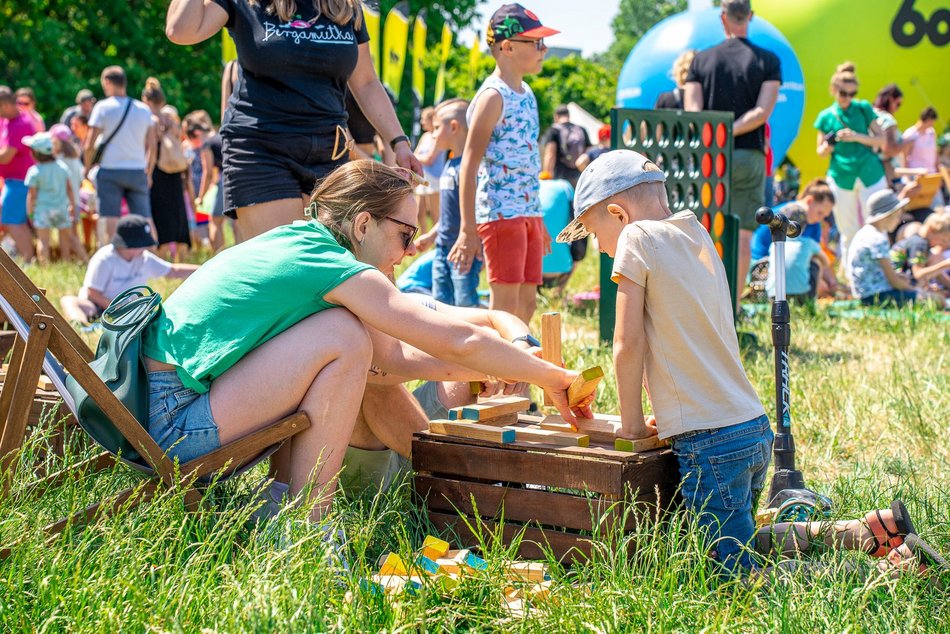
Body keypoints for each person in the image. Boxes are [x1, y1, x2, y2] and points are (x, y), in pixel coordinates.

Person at [130, 160, 587, 523]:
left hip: (156, 412)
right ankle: (308, 527)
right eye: (405, 235)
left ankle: (284, 512)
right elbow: (405, 351)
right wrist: (551, 376)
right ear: (364, 224)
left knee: (344, 336)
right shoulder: (329, 264)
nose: (410, 251)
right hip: (171, 423)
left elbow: (402, 353)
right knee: (344, 338)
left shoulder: (307, 246)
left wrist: (506, 363)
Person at [555, 150, 771, 573]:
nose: (599, 247)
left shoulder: (636, 238)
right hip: (750, 428)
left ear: (618, 214)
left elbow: (627, 343)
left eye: (596, 233)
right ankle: (863, 534)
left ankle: (877, 571)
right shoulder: (697, 233)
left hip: (710, 443)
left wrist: (632, 425)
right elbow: (686, 335)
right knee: (740, 542)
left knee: (734, 577)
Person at [165, 0, 422, 240]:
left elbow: (366, 82)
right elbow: (180, 31)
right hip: (261, 151)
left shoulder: (344, 6)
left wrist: (399, 142)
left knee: (335, 265)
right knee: (288, 264)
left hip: (328, 153)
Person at [450, 3, 558, 325]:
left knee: (527, 304)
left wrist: (539, 218)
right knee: (504, 308)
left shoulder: (526, 94)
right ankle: (495, 374)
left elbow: (527, 162)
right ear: (507, 47)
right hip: (500, 213)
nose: (544, 49)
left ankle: (516, 373)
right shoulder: (492, 97)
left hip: (527, 212)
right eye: (536, 43)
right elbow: (468, 165)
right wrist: (468, 229)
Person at [684, 0, 781, 308]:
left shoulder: (701, 60)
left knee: (705, 231)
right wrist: (734, 129)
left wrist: (718, 135)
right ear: (749, 17)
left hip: (710, 157)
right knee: (741, 236)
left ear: (723, 17)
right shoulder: (768, 60)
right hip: (747, 156)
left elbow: (693, 111)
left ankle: (703, 308)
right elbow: (762, 112)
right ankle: (731, 311)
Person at [60, 216, 197, 326]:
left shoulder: (144, 258)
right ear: (128, 244)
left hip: (128, 309)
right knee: (69, 301)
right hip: (98, 306)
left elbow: (173, 270)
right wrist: (115, 309)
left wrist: (205, 267)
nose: (146, 248)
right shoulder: (105, 258)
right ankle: (81, 325)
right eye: (141, 244)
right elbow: (92, 292)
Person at [814, 62, 886, 264]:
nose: (847, 98)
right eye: (843, 93)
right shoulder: (826, 116)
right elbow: (820, 151)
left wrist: (856, 136)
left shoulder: (863, 108)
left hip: (869, 172)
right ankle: (850, 272)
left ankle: (879, 268)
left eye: (851, 94)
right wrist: (830, 144)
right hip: (841, 175)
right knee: (848, 229)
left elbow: (881, 140)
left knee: (876, 224)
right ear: (834, 90)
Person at [414, 99, 483, 308]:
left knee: (465, 303)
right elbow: (448, 212)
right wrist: (432, 235)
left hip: (463, 248)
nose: (432, 134)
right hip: (443, 247)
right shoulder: (450, 164)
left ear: (454, 127)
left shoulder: (470, 168)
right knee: (441, 302)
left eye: (436, 128)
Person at [84, 66, 158, 246]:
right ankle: (151, 254)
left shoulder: (102, 107)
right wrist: (148, 172)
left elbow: (89, 145)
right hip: (137, 170)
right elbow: (153, 147)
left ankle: (110, 256)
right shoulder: (143, 109)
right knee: (145, 217)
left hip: (110, 170)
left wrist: (86, 169)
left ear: (107, 82)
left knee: (109, 218)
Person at [142, 78, 192, 259]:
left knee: (160, 213)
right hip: (175, 171)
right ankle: (183, 253)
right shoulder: (171, 118)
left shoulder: (150, 120)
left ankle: (161, 254)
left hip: (157, 172)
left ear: (146, 100)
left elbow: (152, 151)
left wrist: (147, 173)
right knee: (178, 212)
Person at [846, 189, 918, 307]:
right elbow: (894, 282)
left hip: (866, 294)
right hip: (877, 296)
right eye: (897, 216)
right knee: (931, 298)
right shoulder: (878, 238)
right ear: (887, 216)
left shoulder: (865, 233)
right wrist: (914, 291)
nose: (899, 220)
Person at [23, 132, 76, 264]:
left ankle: (45, 264)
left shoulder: (34, 171)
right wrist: (73, 206)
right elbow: (69, 189)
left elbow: (32, 195)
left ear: (35, 152)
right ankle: (67, 262)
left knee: (43, 241)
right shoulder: (62, 167)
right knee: (65, 239)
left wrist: (30, 213)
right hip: (61, 208)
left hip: (43, 210)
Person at [764, 206, 833, 302]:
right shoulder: (808, 243)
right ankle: (812, 301)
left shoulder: (773, 245)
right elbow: (826, 261)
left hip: (774, 296)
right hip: (801, 296)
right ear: (804, 226)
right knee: (816, 261)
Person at [0, 85, 38, 261]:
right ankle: (28, 259)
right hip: (12, 181)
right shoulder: (7, 120)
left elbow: (6, 156)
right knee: (17, 222)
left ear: (5, 106)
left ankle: (28, 260)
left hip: (19, 181)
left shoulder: (21, 124)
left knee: (11, 221)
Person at [49, 124, 91, 264]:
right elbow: (80, 181)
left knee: (69, 234)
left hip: (64, 202)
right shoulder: (75, 158)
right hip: (76, 202)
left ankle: (84, 260)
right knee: (71, 233)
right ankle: (69, 259)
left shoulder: (58, 160)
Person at [890, 211, 950, 292]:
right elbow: (918, 274)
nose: (942, 245)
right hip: (897, 283)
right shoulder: (919, 243)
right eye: (942, 240)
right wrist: (945, 264)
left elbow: (937, 274)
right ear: (931, 230)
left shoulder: (921, 242)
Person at [539, 173, 575, 293]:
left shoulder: (529, 187)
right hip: (562, 271)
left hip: (529, 273)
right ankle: (558, 293)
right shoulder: (565, 186)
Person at [412, 106, 447, 230]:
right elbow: (415, 155)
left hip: (435, 180)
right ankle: (425, 240)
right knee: (419, 213)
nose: (421, 122)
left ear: (431, 119)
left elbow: (429, 159)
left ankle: (438, 242)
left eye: (423, 119)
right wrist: (417, 156)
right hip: (423, 178)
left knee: (434, 214)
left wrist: (416, 156)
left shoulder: (438, 137)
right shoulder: (425, 136)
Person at [541, 104, 589, 187]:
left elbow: (550, 155)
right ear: (568, 115)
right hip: (579, 176)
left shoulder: (553, 131)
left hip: (560, 177)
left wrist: (546, 176)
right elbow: (588, 153)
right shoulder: (581, 129)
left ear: (556, 116)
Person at [872, 83, 905, 186]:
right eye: (898, 104)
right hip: (888, 174)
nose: (897, 108)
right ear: (891, 99)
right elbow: (888, 150)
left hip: (870, 172)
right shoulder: (887, 119)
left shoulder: (869, 115)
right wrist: (907, 144)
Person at [902, 107, 940, 174]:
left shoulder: (931, 132)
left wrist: (938, 169)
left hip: (932, 173)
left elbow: (935, 152)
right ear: (928, 119)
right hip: (917, 175)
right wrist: (906, 177)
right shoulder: (910, 134)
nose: (933, 124)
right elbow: (904, 157)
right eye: (932, 121)